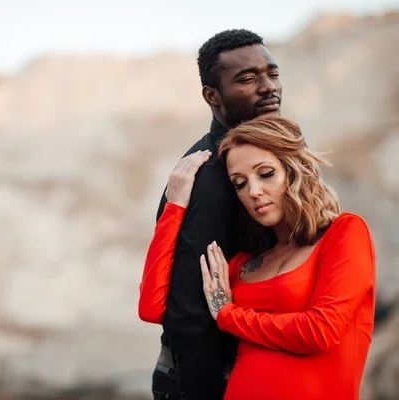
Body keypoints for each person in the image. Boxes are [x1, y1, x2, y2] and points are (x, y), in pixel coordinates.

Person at [139, 115, 376, 400]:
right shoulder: (241, 265)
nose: (253, 192)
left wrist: (228, 314)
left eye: (265, 174)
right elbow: (153, 307)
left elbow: (320, 331)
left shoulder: (345, 233)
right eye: (239, 183)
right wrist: (175, 206)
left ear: (293, 170)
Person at [144, 29, 283, 399]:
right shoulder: (207, 178)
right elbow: (189, 310)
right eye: (248, 79)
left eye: (272, 73)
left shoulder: (261, 161)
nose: (268, 86)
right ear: (212, 96)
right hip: (206, 381)